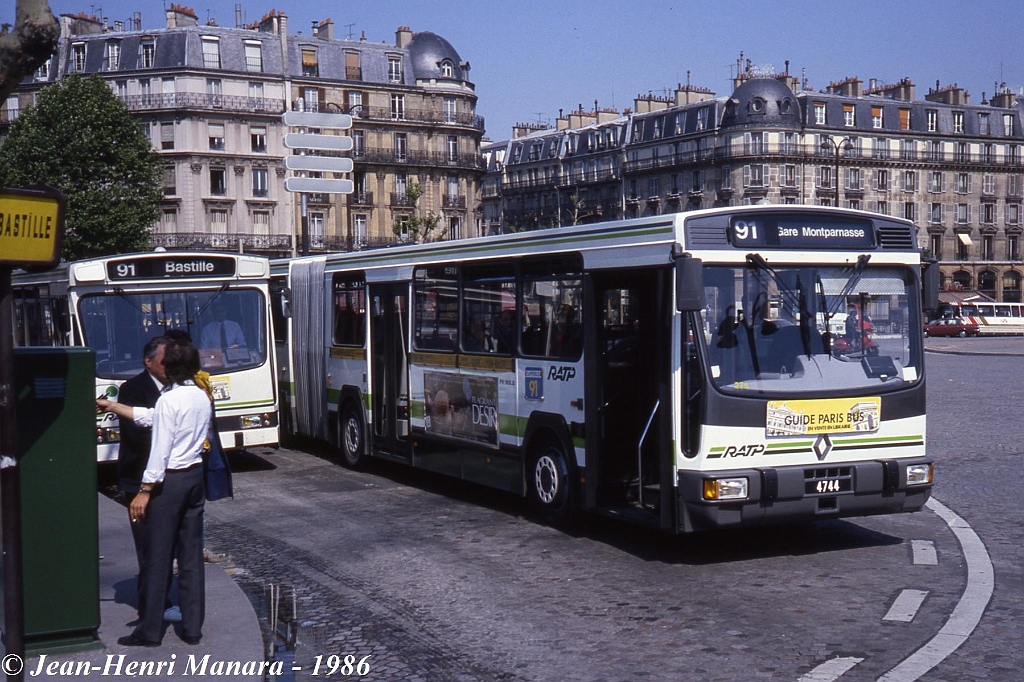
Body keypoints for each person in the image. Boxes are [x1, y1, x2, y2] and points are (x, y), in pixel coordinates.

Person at [118, 339, 211, 647]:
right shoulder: (200, 396)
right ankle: (192, 626)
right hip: (195, 477)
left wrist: (145, 490)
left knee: (158, 558)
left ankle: (150, 630)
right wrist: (115, 406)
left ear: (169, 367)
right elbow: (153, 416)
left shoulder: (169, 400)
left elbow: (160, 449)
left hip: (170, 482)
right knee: (190, 555)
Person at [96, 335, 167, 622]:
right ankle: (150, 607)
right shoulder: (133, 388)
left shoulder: (179, 388)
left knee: (165, 545)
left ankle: (159, 600)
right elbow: (139, 435)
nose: (171, 365)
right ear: (148, 362)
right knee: (147, 545)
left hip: (166, 478)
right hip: (138, 478)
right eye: (165, 360)